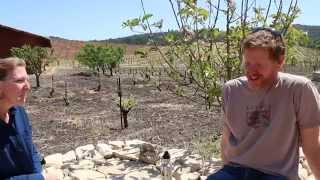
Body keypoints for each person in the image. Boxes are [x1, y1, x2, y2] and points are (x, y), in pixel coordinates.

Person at [207, 27, 320, 180]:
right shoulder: (231, 90)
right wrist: (223, 172)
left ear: (280, 61)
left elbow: (312, 146)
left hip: (276, 174)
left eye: (259, 65)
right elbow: (227, 139)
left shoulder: (299, 89)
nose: (251, 72)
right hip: (235, 170)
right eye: (247, 64)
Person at [0, 57, 57, 179]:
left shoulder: (19, 111)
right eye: (19, 81)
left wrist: (39, 174)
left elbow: (31, 149)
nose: (28, 86)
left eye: (27, 79)